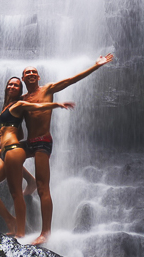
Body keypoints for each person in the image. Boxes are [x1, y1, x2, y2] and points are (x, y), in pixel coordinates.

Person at [20, 54, 114, 245]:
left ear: (38, 77)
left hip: (42, 142)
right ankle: (28, 180)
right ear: (23, 79)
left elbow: (71, 80)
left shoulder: (48, 89)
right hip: (28, 142)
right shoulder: (22, 100)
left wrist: (96, 66)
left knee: (43, 187)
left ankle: (45, 232)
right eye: (27, 72)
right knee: (5, 154)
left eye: (34, 72)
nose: (31, 74)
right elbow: (11, 121)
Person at [0, 75, 74, 239]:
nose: (12, 87)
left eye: (16, 85)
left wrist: (57, 104)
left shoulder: (20, 104)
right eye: (10, 84)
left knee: (16, 193)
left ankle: (20, 233)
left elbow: (37, 106)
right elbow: (19, 132)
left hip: (15, 149)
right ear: (6, 87)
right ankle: (11, 219)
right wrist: (0, 140)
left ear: (19, 89)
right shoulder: (6, 107)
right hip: (7, 149)